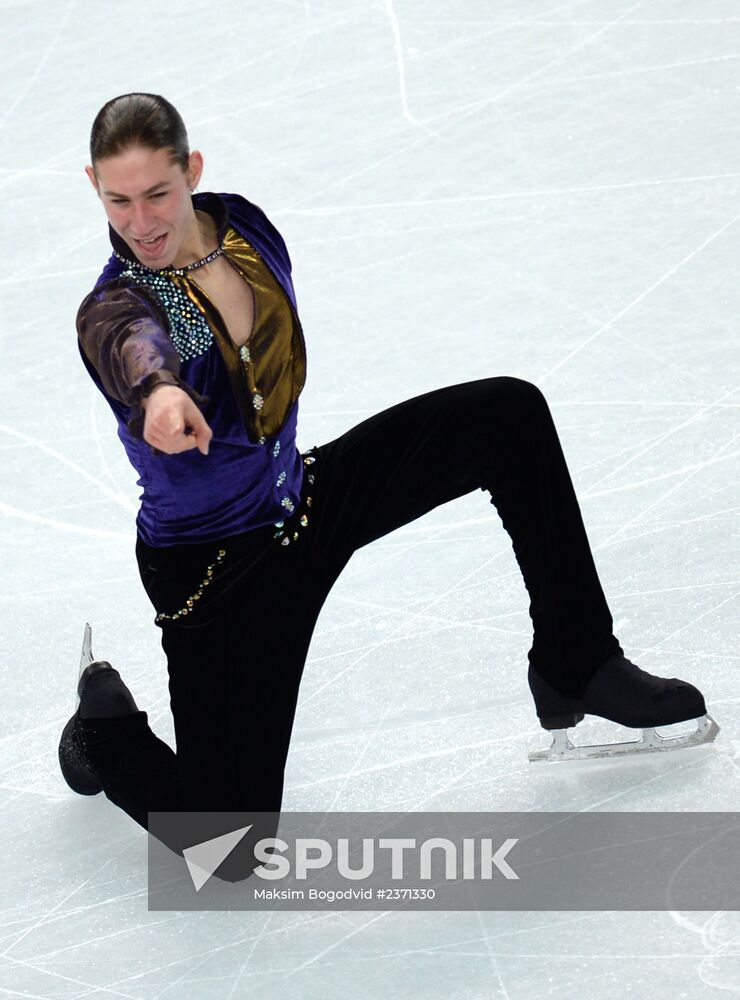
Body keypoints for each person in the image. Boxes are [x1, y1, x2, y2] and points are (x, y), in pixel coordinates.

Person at [59, 93, 715, 880]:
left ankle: (578, 659)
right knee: (229, 848)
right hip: (219, 575)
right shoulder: (125, 302)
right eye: (118, 199)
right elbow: (134, 345)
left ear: (192, 172)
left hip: (303, 501)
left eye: (158, 194)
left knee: (506, 415)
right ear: (95, 186)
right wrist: (159, 393)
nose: (141, 221)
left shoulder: (244, 229)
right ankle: (106, 730)